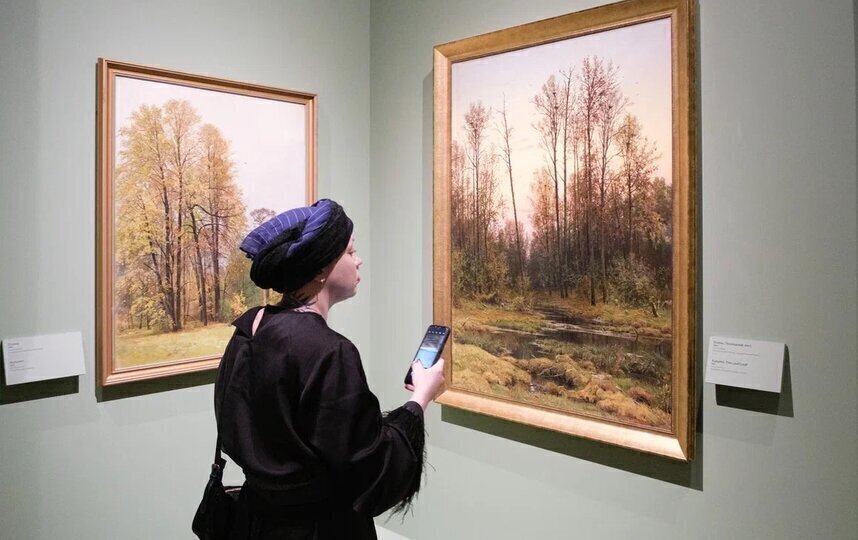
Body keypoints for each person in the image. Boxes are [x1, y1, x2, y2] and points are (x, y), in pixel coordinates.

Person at [214, 198, 445, 540]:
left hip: (254, 521)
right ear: (321, 268)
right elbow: (367, 467)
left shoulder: (250, 328)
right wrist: (420, 399)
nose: (359, 260)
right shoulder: (330, 351)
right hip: (316, 529)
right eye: (350, 251)